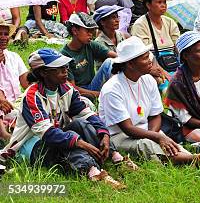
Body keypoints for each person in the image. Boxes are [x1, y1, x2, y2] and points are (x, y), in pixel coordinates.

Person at [1, 48, 129, 188]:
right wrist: (80, 143)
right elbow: (49, 134)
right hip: (30, 148)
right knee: (69, 137)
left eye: (65, 66)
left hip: (55, 138)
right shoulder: (31, 96)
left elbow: (88, 114)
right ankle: (92, 172)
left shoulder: (67, 89)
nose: (65, 70)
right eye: (59, 68)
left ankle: (117, 158)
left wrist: (104, 133)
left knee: (80, 124)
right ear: (44, 73)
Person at [99, 37, 200, 166]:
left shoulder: (148, 80)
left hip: (146, 130)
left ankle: (187, 157)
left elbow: (155, 115)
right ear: (130, 64)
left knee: (166, 142)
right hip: (118, 136)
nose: (150, 60)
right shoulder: (112, 89)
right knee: (147, 144)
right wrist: (155, 137)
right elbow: (127, 128)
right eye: (144, 58)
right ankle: (190, 159)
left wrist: (154, 135)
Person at [61, 13, 116, 100]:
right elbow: (72, 88)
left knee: (110, 62)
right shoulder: (65, 55)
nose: (91, 34)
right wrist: (100, 94)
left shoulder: (90, 44)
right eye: (88, 31)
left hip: (93, 85)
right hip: (80, 93)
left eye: (92, 31)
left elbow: (115, 56)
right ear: (75, 31)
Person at [131, 0, 180, 75]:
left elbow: (178, 47)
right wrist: (164, 73)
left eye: (164, 2)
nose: (163, 5)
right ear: (148, 5)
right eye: (159, 2)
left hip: (173, 64)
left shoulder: (170, 22)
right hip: (152, 68)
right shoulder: (140, 25)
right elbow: (144, 54)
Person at [0, 19, 27, 142]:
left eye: (6, 34)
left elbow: (26, 82)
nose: (3, 37)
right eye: (0, 34)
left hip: (14, 105)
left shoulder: (14, 57)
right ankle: (5, 135)